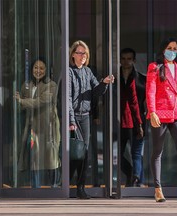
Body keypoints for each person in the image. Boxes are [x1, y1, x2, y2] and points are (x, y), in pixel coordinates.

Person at [146, 37, 177, 202]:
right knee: (157, 151)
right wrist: (152, 112)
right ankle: (158, 189)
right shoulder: (155, 67)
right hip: (160, 113)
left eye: (175, 48)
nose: (172, 51)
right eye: (169, 48)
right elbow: (150, 91)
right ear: (163, 49)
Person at [68, 40, 114, 199]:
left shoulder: (87, 72)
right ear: (73, 55)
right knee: (75, 152)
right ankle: (65, 182)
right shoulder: (69, 72)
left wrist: (104, 83)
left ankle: (80, 187)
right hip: (73, 119)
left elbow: (96, 92)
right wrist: (71, 121)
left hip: (85, 118)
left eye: (84, 53)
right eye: (80, 53)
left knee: (85, 153)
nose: (82, 56)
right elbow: (67, 99)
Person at [15, 58, 60, 188]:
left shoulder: (51, 85)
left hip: (48, 128)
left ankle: (55, 187)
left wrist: (22, 101)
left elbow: (40, 102)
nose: (38, 71)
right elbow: (21, 106)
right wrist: (19, 102)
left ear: (46, 70)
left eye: (41, 68)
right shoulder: (26, 85)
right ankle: (36, 188)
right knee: (34, 158)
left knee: (51, 159)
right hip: (32, 128)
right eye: (36, 67)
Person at [119, 48, 144, 187]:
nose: (126, 61)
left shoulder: (141, 79)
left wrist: (141, 122)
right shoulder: (115, 78)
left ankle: (137, 181)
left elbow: (142, 101)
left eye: (129, 58)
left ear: (134, 60)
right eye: (123, 58)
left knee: (136, 153)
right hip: (119, 121)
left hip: (137, 121)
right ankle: (131, 174)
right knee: (117, 155)